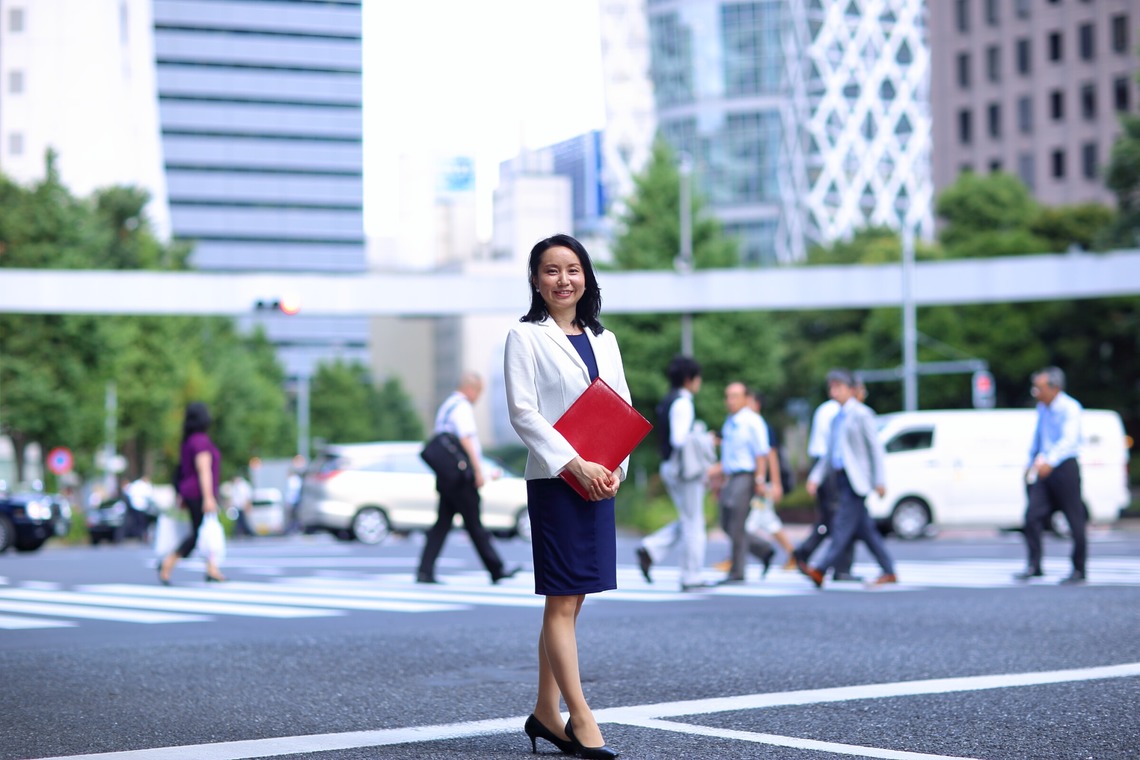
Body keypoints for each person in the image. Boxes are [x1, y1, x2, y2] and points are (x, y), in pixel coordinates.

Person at [504, 233, 623, 759]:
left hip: (601, 480)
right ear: (535, 280)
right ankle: (581, 717)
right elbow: (524, 413)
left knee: (572, 602)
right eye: (550, 271)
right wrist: (576, 463)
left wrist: (615, 467)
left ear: (586, 277)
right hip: (557, 481)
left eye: (572, 269)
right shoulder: (524, 336)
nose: (562, 280)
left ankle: (545, 712)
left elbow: (621, 406)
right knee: (560, 597)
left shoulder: (605, 339)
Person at [416, 371, 519, 585]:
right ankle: (496, 569)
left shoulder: (447, 407)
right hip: (461, 478)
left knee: (442, 524)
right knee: (474, 524)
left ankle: (425, 570)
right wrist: (478, 470)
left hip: (447, 477)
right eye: (479, 392)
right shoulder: (462, 407)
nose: (478, 397)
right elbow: (466, 439)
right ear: (470, 388)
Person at [798, 369, 897, 588]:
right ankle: (889, 569)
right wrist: (816, 477)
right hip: (839, 478)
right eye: (831, 387)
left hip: (857, 480)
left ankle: (821, 568)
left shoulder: (862, 414)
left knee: (841, 524)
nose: (834, 392)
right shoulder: (835, 418)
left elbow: (875, 449)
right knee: (866, 530)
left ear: (851, 390)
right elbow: (829, 453)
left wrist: (880, 480)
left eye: (838, 387)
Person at [636, 355, 716, 591]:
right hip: (685, 471)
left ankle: (651, 548)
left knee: (688, 519)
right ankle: (691, 576)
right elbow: (680, 439)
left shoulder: (669, 400)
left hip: (671, 466)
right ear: (690, 379)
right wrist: (705, 438)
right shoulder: (683, 402)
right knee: (694, 523)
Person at [1016, 367, 1088, 585]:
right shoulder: (1042, 408)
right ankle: (1034, 565)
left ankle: (1079, 568)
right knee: (1032, 517)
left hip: (1064, 467)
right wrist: (1031, 462)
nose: (1035, 392)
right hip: (1045, 467)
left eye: (1039, 388)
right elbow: (1038, 437)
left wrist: (1051, 461)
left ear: (1054, 388)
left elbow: (1069, 440)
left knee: (1074, 518)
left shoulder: (1070, 407)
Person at [708, 381, 775, 584]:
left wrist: (760, 480)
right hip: (731, 477)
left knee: (736, 522)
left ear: (746, 398)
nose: (730, 401)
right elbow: (728, 456)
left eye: (735, 396)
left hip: (746, 476)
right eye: (728, 396)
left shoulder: (753, 421)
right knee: (726, 522)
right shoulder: (730, 421)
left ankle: (737, 570)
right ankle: (763, 550)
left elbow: (761, 453)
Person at [793, 385, 859, 581]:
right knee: (838, 520)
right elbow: (831, 448)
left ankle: (807, 553)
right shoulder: (836, 412)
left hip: (824, 467)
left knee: (832, 520)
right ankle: (837, 567)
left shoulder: (827, 409)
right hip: (829, 469)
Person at [158, 402, 226, 584]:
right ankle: (169, 562)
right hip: (199, 492)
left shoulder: (188, 441)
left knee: (203, 530)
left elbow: (182, 471)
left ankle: (212, 568)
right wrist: (209, 497)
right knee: (200, 532)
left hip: (189, 491)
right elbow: (204, 469)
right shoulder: (201, 441)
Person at [747, 389, 798, 568]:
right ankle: (793, 555)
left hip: (764, 483)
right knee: (768, 521)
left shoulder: (762, 426)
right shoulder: (748, 424)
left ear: (757, 404)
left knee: (750, 522)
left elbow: (772, 456)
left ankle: (733, 558)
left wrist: (776, 483)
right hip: (757, 482)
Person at [124, 474, 155, 541]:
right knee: (142, 523)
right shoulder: (146, 485)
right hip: (142, 507)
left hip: (134, 506)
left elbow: (128, 492)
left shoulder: (135, 484)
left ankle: (139, 535)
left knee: (137, 522)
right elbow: (149, 495)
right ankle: (142, 535)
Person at [226, 474, 254, 539]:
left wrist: (248, 505)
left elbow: (248, 497)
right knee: (239, 520)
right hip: (236, 507)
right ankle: (241, 532)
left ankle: (244, 532)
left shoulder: (244, 486)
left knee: (241, 520)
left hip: (242, 506)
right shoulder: (235, 486)